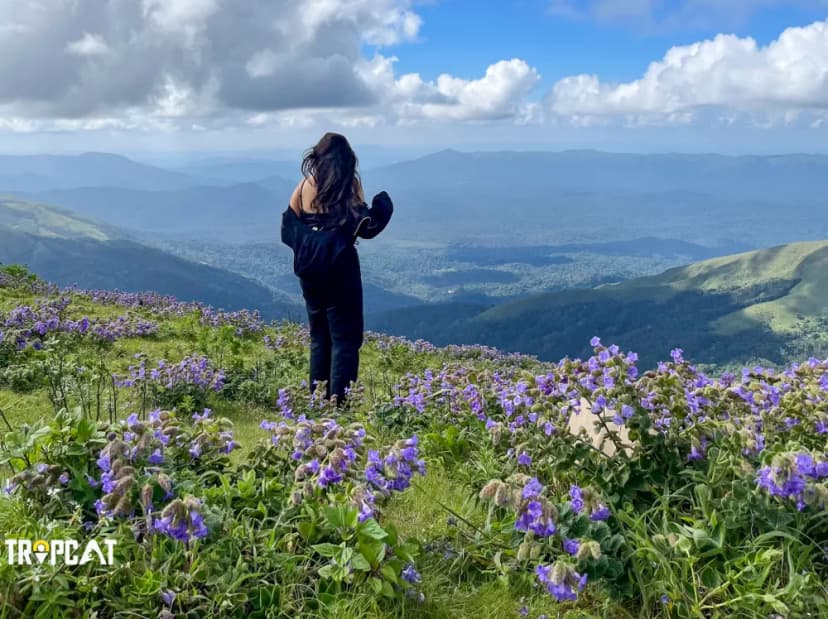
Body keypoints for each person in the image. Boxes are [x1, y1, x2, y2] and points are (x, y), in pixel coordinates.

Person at [281, 132, 393, 404]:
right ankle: (339, 404)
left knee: (320, 337)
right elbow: (365, 225)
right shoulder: (349, 184)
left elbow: (289, 223)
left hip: (310, 270)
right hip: (341, 269)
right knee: (345, 338)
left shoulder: (305, 184)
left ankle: (317, 400)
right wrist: (383, 205)